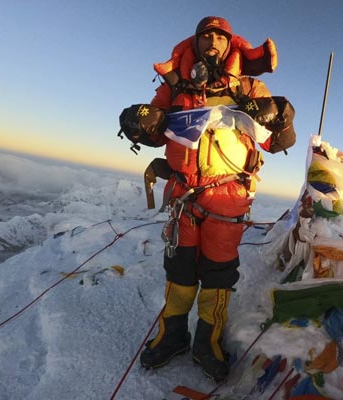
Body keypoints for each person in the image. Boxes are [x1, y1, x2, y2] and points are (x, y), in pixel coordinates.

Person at [118, 16, 296, 382]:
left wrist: (283, 116)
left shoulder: (250, 87)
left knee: (217, 274)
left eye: (219, 36)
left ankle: (207, 341)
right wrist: (139, 120)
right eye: (205, 36)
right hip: (184, 193)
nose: (211, 41)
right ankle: (173, 336)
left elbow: (278, 142)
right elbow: (155, 130)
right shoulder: (177, 89)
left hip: (228, 196)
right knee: (180, 270)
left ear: (230, 45)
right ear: (195, 43)